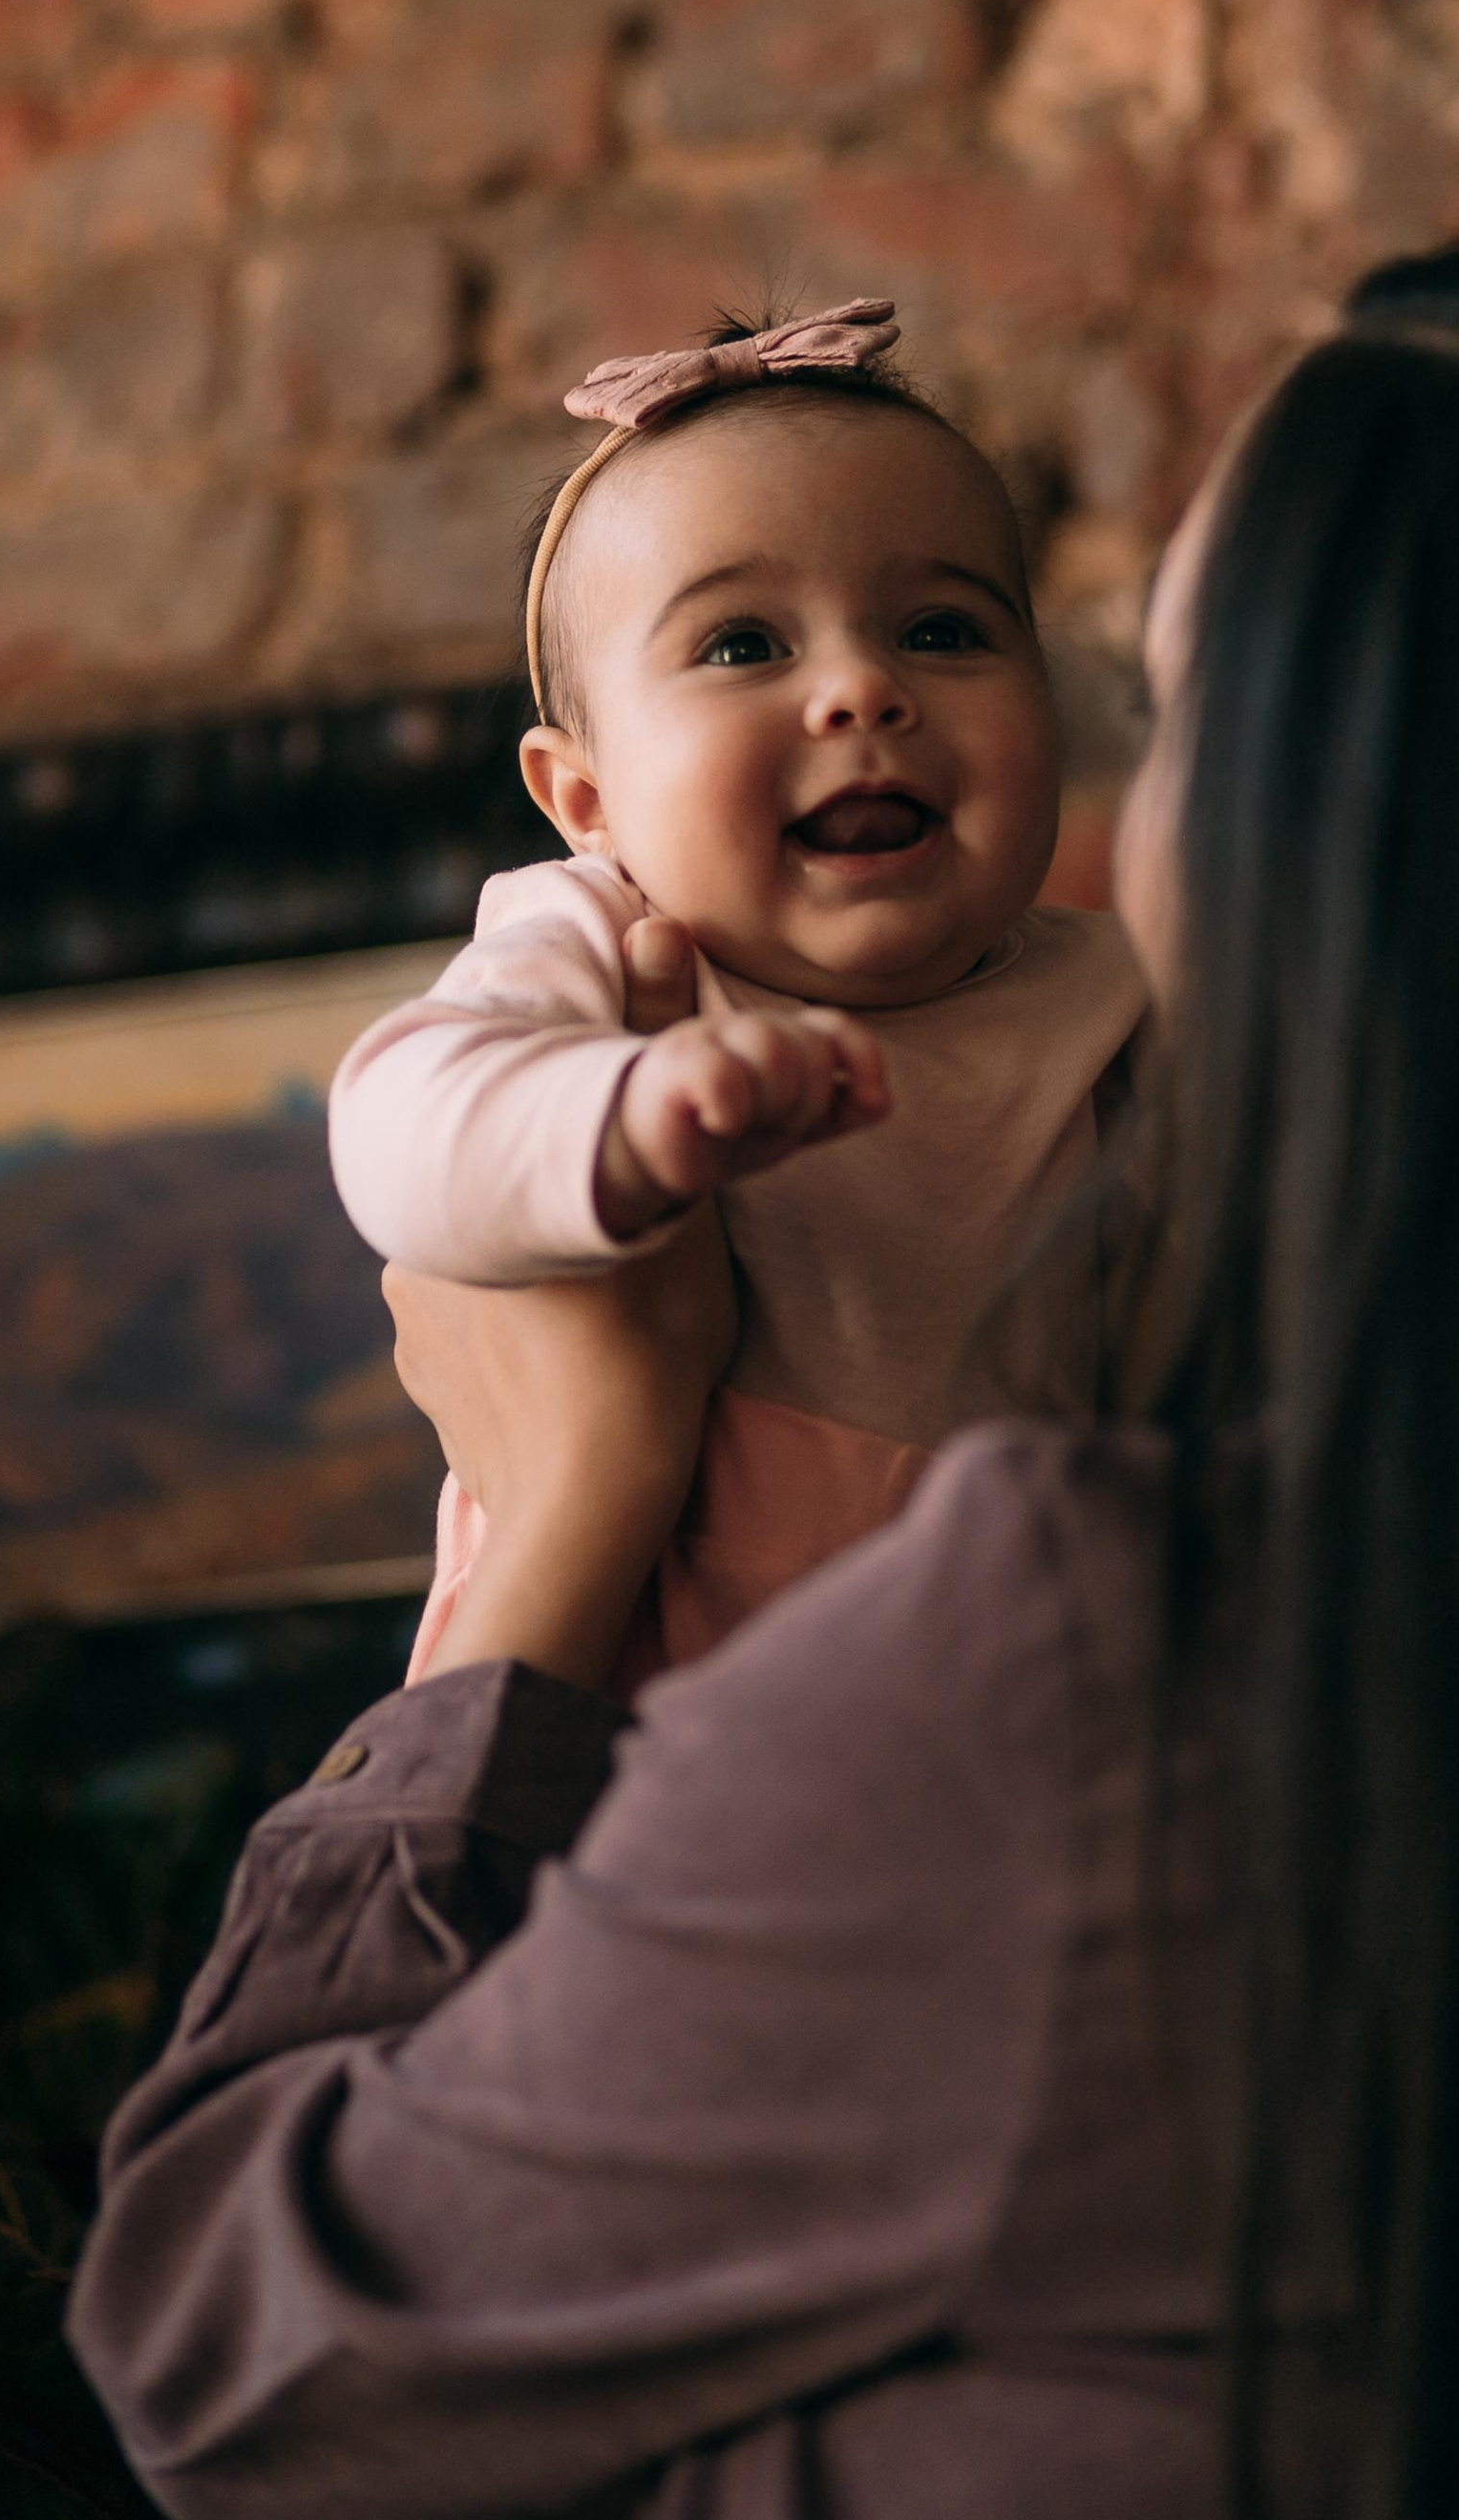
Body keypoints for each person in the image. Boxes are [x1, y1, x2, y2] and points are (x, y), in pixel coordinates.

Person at [71, 237, 1459, 2520]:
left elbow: (239, 2360)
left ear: (1359, 878)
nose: (877, 704)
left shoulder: (1112, 1679)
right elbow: (429, 1106)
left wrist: (563, 1507)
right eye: (743, 643)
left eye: (1138, 705)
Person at [326, 294, 1145, 1681]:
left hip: (1039, 1648)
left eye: (942, 631)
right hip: (657, 1655)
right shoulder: (601, 953)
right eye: (743, 645)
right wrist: (619, 1120)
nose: (862, 692)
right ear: (584, 800)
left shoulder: (1119, 992)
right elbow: (397, 1136)